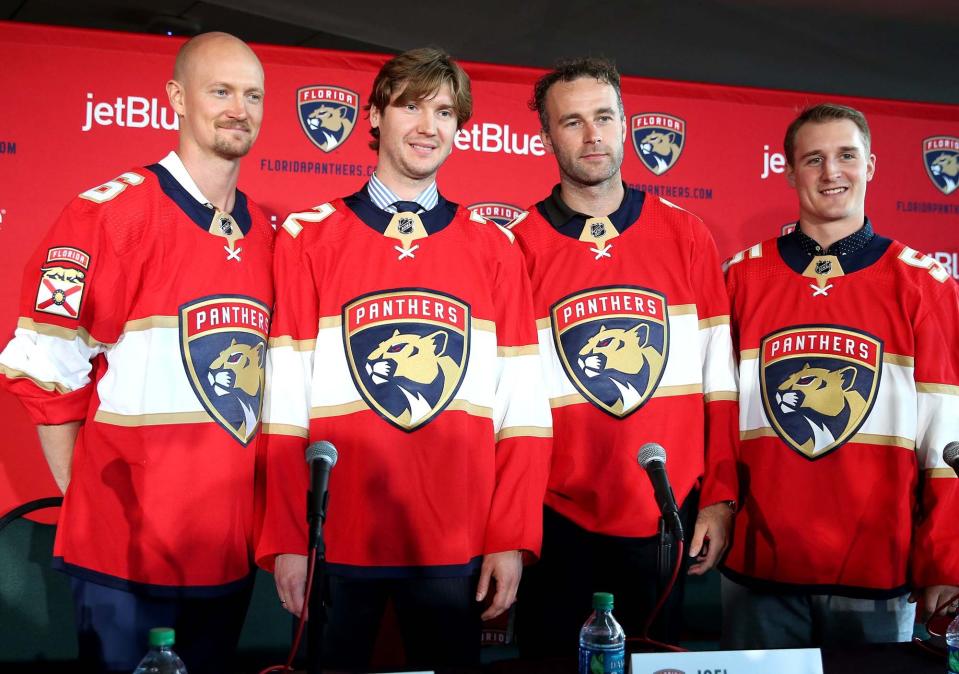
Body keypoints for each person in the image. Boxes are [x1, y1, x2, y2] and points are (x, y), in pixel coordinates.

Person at [255, 47, 552, 671]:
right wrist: (287, 536)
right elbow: (282, 400)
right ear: (373, 118)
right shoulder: (309, 237)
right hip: (335, 539)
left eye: (444, 112)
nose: (428, 126)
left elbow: (522, 409)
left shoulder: (496, 248)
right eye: (410, 105)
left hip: (457, 541)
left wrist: (511, 538)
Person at [0, 32, 272, 673]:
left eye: (253, 95)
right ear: (177, 98)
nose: (240, 108)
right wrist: (87, 497)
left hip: (225, 552)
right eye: (222, 91)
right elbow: (42, 368)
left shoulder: (265, 233)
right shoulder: (111, 216)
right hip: (123, 560)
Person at [510, 57, 738, 653]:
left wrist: (717, 496)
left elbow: (720, 381)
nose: (592, 136)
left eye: (604, 118)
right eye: (572, 122)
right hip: (553, 518)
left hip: (663, 515)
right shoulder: (516, 247)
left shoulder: (686, 235)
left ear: (625, 124)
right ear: (546, 136)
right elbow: (503, 402)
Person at [721, 103, 959, 648]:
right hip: (761, 562)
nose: (832, 172)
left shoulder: (924, 283)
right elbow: (713, 419)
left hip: (877, 566)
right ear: (788, 170)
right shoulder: (742, 276)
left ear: (871, 165)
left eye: (847, 155)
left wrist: (944, 555)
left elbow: (948, 434)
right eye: (814, 159)